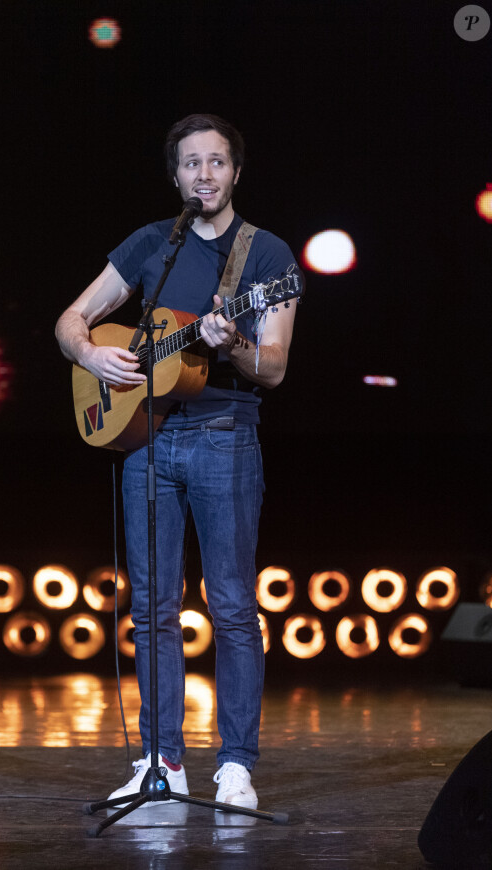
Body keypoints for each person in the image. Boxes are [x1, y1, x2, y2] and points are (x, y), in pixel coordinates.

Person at [55, 114, 301, 809]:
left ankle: (236, 766)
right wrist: (90, 352)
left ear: (236, 172)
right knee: (152, 609)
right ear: (176, 176)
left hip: (225, 435)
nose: (204, 174)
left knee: (229, 606)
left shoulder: (267, 257)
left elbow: (275, 366)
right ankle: (160, 762)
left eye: (217, 162)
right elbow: (71, 319)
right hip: (147, 440)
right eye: (191, 163)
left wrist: (231, 345)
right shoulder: (150, 245)